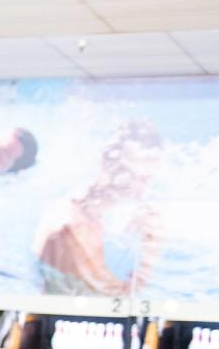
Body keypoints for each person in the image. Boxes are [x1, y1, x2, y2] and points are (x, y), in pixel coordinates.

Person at [34, 122, 164, 297]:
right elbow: (112, 297)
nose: (137, 185)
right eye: (128, 172)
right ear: (106, 162)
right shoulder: (69, 221)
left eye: (145, 177)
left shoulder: (135, 214)